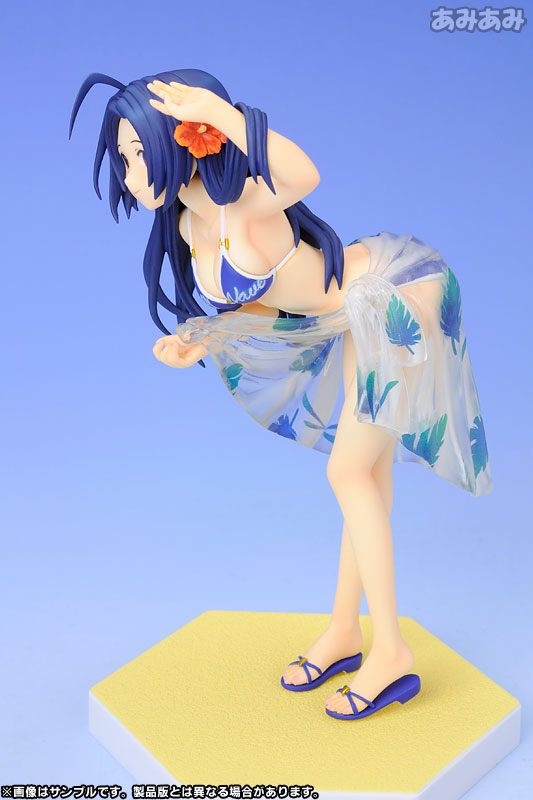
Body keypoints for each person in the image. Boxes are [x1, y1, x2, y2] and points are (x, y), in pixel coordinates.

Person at [70, 68, 492, 721]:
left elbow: (303, 174)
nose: (129, 174)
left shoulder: (244, 201)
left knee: (347, 472)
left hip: (397, 293)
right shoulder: (186, 221)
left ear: (180, 139)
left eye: (137, 153)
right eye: (121, 158)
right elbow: (266, 303)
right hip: (348, 314)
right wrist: (202, 337)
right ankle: (345, 633)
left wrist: (221, 112)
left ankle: (391, 652)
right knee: (367, 474)